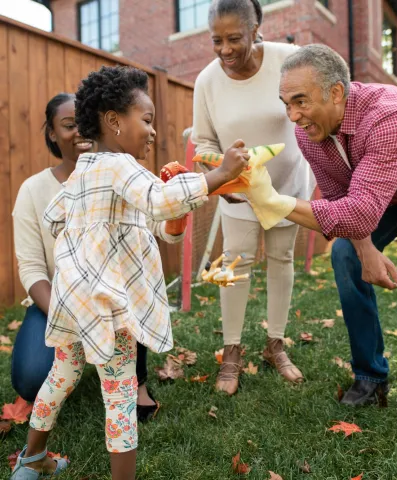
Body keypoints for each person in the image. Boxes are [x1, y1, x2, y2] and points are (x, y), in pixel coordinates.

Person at [10, 65, 248, 480]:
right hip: (107, 304)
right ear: (114, 121)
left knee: (60, 377)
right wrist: (220, 175)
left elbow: (55, 216)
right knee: (120, 396)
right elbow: (159, 202)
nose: (153, 131)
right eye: (148, 119)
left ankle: (31, 461)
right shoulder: (120, 167)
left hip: (73, 303)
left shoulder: (85, 170)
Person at [250, 43, 397, 406]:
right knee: (345, 254)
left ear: (336, 92)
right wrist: (366, 250)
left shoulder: (391, 115)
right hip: (389, 196)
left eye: (301, 101)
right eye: (286, 103)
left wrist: (274, 203)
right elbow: (343, 201)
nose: (293, 116)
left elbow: (357, 213)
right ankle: (370, 375)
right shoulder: (309, 132)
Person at [11, 92, 185, 422]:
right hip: (59, 299)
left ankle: (137, 381)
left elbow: (162, 227)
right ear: (51, 133)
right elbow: (32, 268)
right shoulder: (33, 190)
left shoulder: (123, 175)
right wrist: (75, 315)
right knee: (30, 379)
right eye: (68, 125)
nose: (80, 131)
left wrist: (176, 215)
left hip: (115, 297)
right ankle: (77, 363)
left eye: (85, 122)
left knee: (129, 292)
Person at [192, 0, 314, 396]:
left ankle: (275, 344)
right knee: (235, 266)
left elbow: (310, 112)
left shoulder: (289, 60)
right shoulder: (207, 81)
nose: (225, 49)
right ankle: (231, 351)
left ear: (256, 28)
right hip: (237, 195)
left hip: (287, 188)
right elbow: (204, 141)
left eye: (234, 38)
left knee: (282, 259)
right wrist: (218, 180)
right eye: (216, 40)